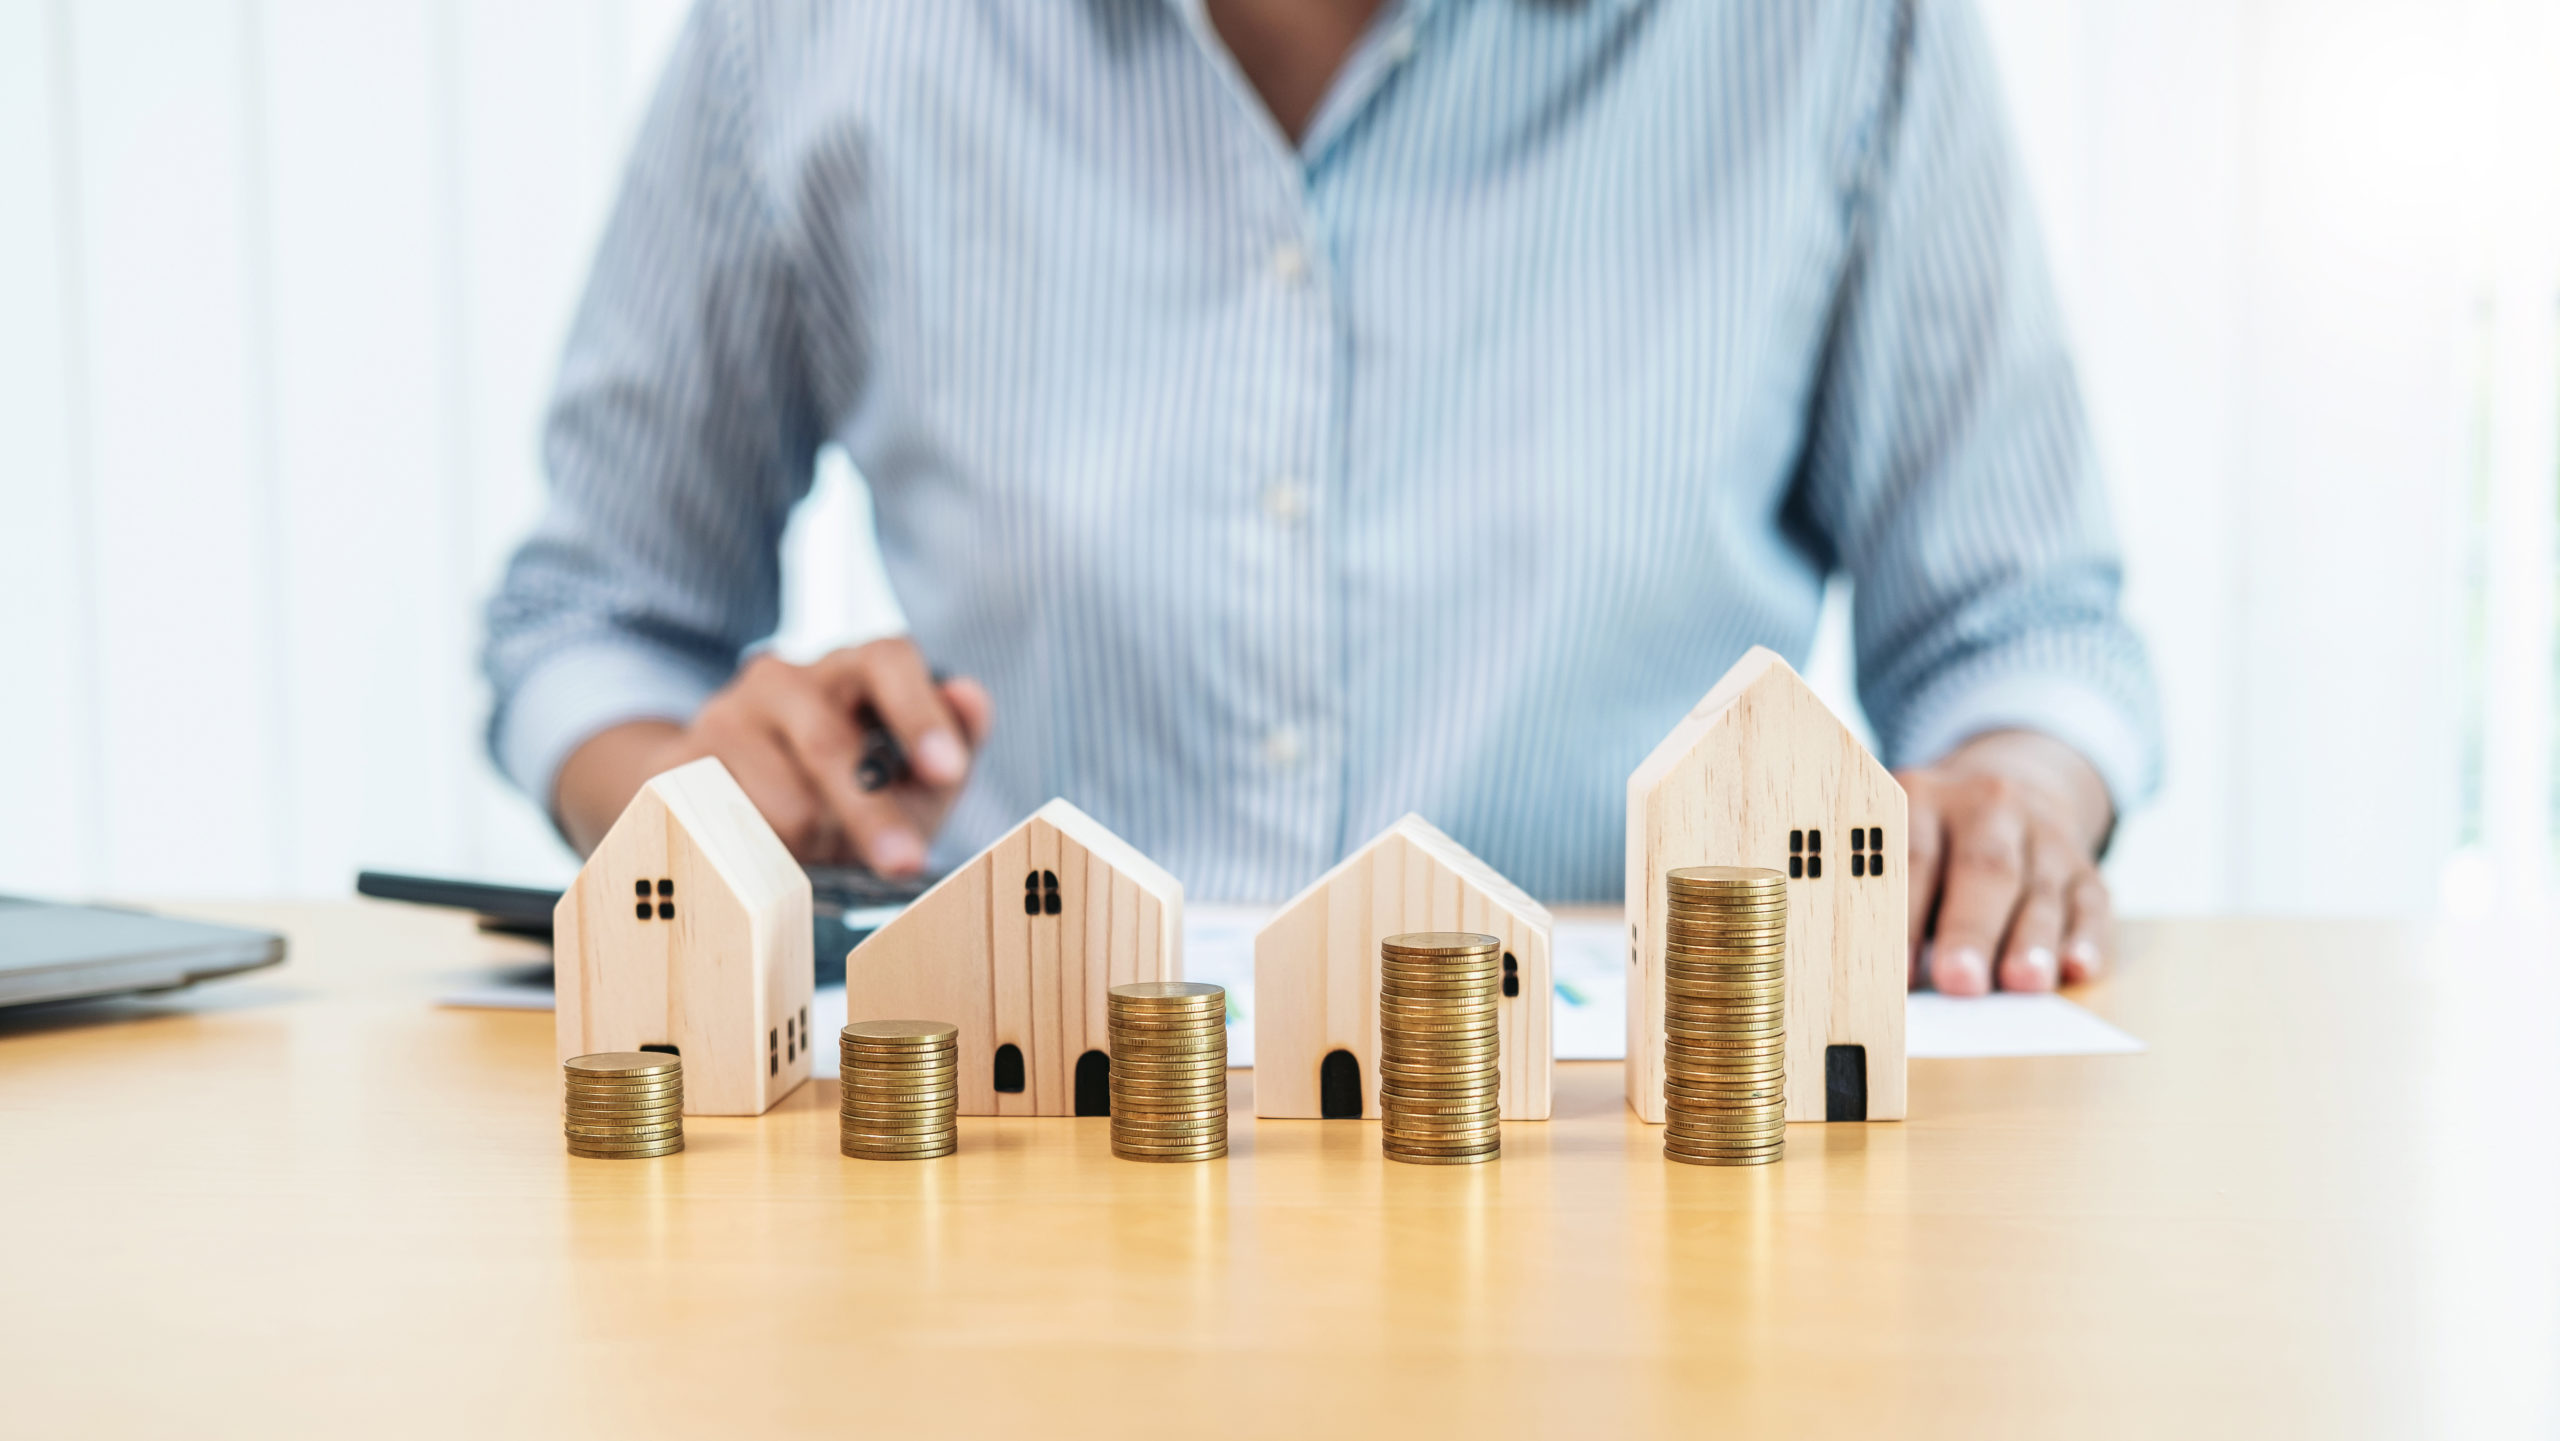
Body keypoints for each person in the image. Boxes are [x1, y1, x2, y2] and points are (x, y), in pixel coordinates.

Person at [485, 0, 2159, 998]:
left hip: (1630, 1166)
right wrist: (696, 801)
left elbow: (2025, 631)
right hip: (1019, 1149)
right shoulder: (811, 38)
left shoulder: (1840, 34)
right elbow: (593, 620)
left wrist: (2003, 800)